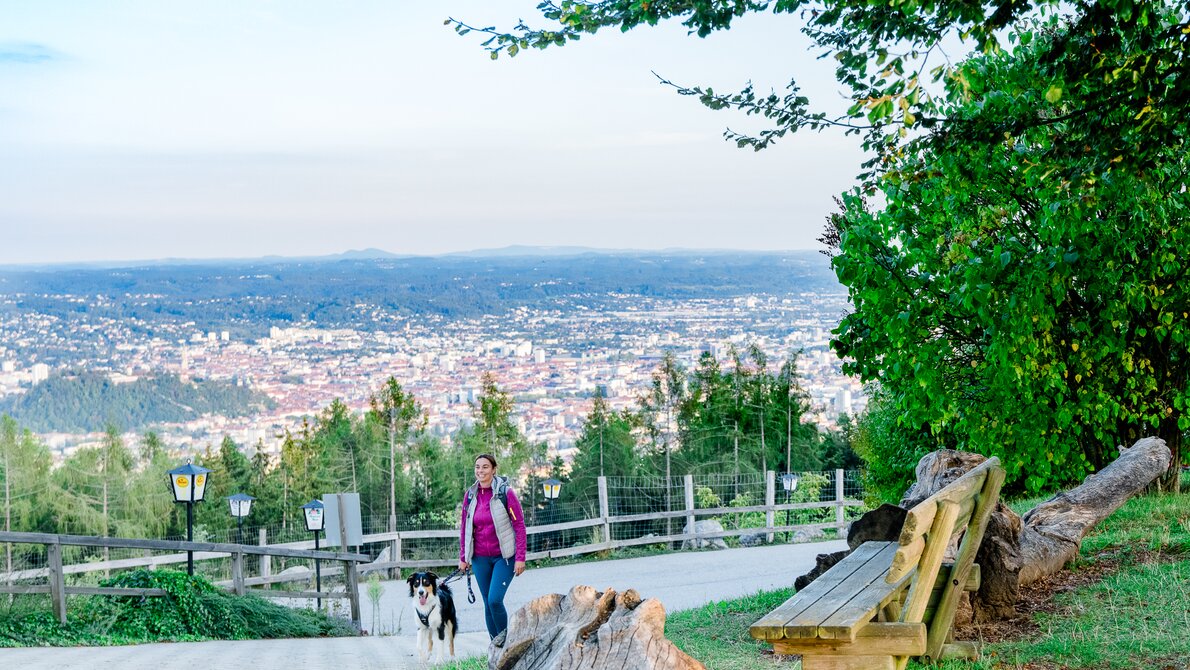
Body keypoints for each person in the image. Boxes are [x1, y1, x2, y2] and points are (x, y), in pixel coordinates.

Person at [458, 453, 527, 645]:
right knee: (487, 604)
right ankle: (495, 647)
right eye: (477, 467)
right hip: (480, 559)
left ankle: (507, 643)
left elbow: (519, 525)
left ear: (494, 469)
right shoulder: (470, 496)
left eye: (485, 467)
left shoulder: (506, 494)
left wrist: (520, 557)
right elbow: (465, 527)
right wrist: (464, 557)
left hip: (504, 557)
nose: (480, 471)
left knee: (495, 600)